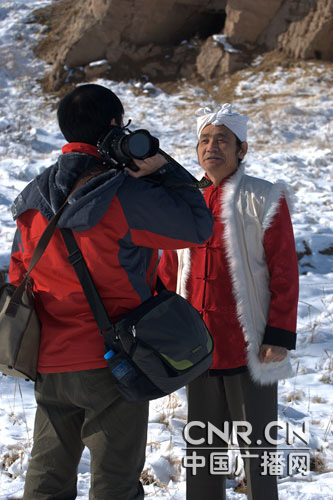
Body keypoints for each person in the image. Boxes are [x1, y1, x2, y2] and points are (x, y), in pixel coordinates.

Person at [8, 83, 214, 500]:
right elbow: (199, 225)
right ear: (115, 127)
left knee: (47, 481)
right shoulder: (123, 195)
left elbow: (18, 277)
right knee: (115, 484)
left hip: (50, 363)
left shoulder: (31, 200)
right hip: (114, 364)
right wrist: (162, 168)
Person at [158, 103, 299, 500]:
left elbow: (285, 271)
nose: (211, 146)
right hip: (197, 350)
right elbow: (169, 269)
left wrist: (278, 335)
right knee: (203, 454)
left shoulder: (265, 197)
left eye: (222, 139)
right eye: (204, 139)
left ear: (243, 148)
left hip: (251, 348)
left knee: (258, 455)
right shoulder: (185, 200)